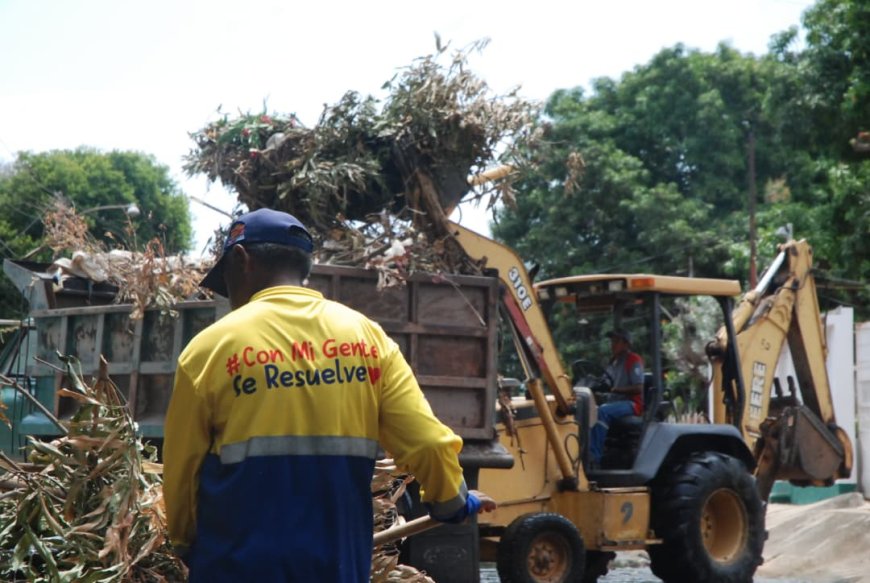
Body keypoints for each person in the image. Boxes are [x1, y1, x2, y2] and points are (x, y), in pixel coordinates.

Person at [163, 208, 494, 583]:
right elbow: (429, 445)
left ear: (241, 260)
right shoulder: (368, 339)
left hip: (232, 568)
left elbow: (182, 472)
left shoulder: (207, 350)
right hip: (337, 568)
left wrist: (184, 542)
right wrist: (453, 503)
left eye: (226, 280)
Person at [589, 327, 645, 466]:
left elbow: (638, 388)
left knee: (602, 412)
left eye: (616, 341)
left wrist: (615, 390)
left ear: (626, 344)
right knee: (590, 411)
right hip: (615, 402)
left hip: (632, 404)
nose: (612, 345)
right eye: (612, 341)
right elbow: (605, 381)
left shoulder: (633, 359)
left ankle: (594, 457)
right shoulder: (614, 362)